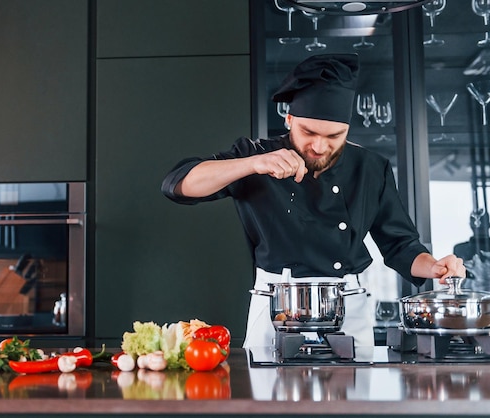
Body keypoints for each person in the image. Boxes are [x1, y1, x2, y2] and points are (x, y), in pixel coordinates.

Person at [161, 53, 465, 348]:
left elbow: (401, 246)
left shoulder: (371, 168)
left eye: (334, 136)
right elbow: (178, 184)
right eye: (309, 132)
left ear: (347, 130)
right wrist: (252, 164)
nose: (319, 146)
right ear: (290, 118)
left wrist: (435, 266)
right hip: (276, 308)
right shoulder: (258, 156)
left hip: (347, 307)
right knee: (269, 399)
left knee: (354, 398)